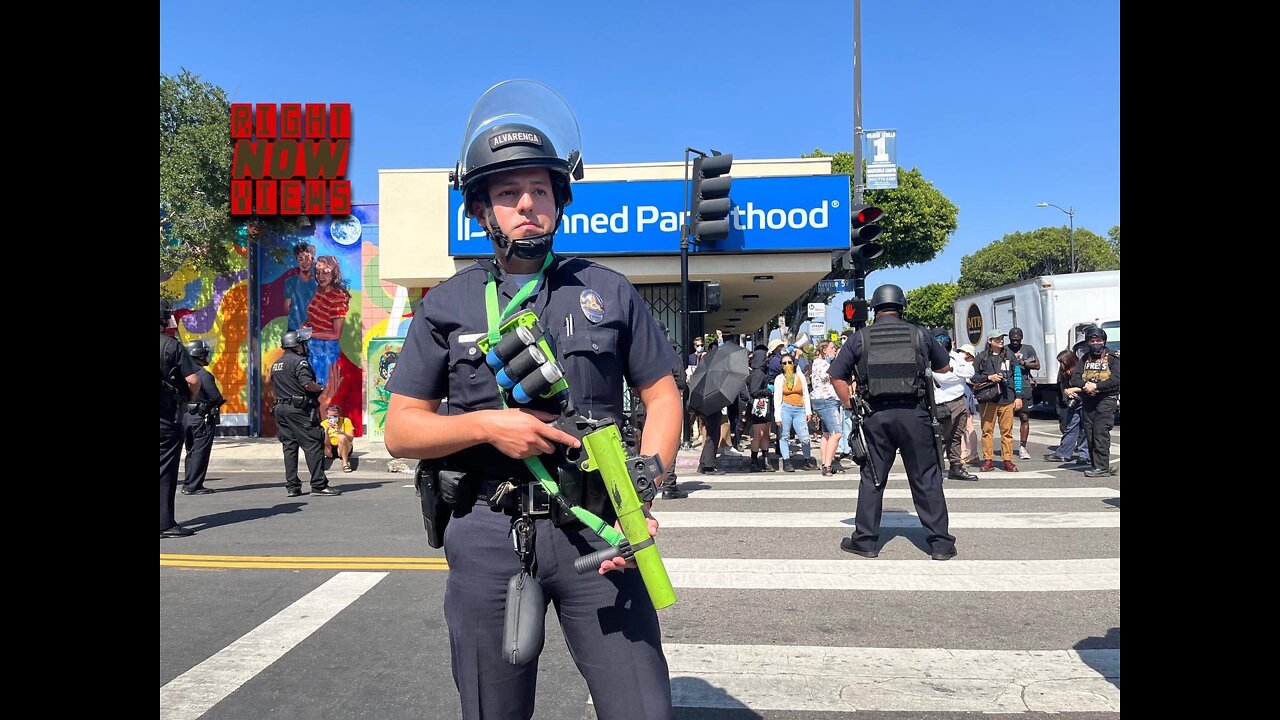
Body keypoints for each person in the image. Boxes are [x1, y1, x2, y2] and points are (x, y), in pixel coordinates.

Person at [383, 80, 680, 720]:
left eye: (540, 190)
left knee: (642, 707)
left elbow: (662, 397)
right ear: (484, 210)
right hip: (486, 531)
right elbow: (402, 430)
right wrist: (489, 426)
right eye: (508, 193)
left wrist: (646, 494)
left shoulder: (607, 290)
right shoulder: (446, 304)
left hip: (598, 525)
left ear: (559, 201)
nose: (527, 205)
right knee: (493, 710)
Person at [828, 284, 957, 561]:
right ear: (902, 306)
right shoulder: (920, 334)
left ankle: (865, 541)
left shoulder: (860, 338)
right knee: (926, 478)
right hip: (916, 414)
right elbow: (944, 367)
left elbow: (836, 376)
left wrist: (851, 404)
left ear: (874, 308)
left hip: (876, 416)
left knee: (873, 478)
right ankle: (940, 545)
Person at [270, 328, 342, 497]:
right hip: (298, 409)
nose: (306, 346)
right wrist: (321, 387)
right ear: (296, 345)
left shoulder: (277, 364)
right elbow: (307, 384)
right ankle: (318, 485)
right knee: (313, 443)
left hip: (281, 409)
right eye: (303, 343)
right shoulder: (299, 362)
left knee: (289, 447)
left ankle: (292, 486)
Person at [160, 300, 201, 537]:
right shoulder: (171, 346)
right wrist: (187, 398)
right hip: (166, 416)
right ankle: (165, 523)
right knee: (165, 470)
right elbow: (194, 381)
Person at [1072, 326, 1120, 477]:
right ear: (1088, 342)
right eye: (1092, 341)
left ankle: (1102, 467)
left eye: (1098, 340)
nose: (1095, 343)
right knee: (1090, 432)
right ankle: (1096, 464)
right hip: (1088, 400)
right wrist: (1085, 385)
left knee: (1100, 433)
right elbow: (1075, 377)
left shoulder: (1113, 357)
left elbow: (1116, 379)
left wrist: (1097, 386)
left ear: (1104, 341)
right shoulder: (1085, 359)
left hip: (1106, 399)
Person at [181, 339, 226, 495]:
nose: (207, 356)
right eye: (205, 353)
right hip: (201, 418)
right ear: (199, 355)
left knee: (191, 451)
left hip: (186, 416)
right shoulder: (203, 375)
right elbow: (216, 398)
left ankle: (188, 483)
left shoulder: (183, 375)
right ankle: (194, 486)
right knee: (200, 451)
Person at [931, 331, 978, 481]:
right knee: (940, 438)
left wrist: (953, 369)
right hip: (943, 403)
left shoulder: (956, 356)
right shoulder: (932, 357)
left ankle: (955, 467)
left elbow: (970, 371)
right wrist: (958, 374)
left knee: (957, 436)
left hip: (960, 400)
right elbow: (942, 377)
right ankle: (935, 469)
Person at [972, 329, 1021, 472]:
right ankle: (988, 460)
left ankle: (1007, 460)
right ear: (989, 341)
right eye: (997, 338)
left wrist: (1018, 396)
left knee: (1007, 431)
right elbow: (973, 377)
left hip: (1007, 398)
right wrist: (989, 377)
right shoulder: (981, 358)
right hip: (988, 399)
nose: (1001, 340)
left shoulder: (1009, 356)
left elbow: (1017, 375)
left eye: (1002, 338)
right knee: (987, 430)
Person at [303, 254, 351, 386]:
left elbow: (336, 334)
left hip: (325, 352)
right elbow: (315, 318)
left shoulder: (338, 297)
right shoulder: (319, 291)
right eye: (318, 272)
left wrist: (310, 334)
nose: (320, 276)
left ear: (334, 273)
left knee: (322, 387)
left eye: (325, 272)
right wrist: (306, 326)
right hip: (312, 348)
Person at [808, 340, 844, 476]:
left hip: (824, 399)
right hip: (827, 399)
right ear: (824, 350)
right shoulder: (820, 363)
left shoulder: (822, 363)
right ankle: (828, 465)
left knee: (827, 433)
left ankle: (825, 462)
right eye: (832, 348)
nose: (834, 350)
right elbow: (829, 375)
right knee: (837, 433)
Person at [773, 352, 813, 472]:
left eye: (789, 362)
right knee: (784, 436)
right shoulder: (779, 379)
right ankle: (787, 461)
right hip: (786, 408)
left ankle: (807, 459)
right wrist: (777, 416)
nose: (787, 365)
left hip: (800, 409)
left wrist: (808, 411)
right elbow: (777, 397)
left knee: (805, 437)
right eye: (784, 363)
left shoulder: (800, 377)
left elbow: (805, 394)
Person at [1007, 327, 1041, 460]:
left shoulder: (1028, 349)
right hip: (1008, 386)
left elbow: (1037, 365)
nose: (1015, 342)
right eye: (1013, 340)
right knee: (1006, 419)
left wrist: (1023, 363)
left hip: (1025, 385)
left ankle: (1022, 447)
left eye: (1018, 340)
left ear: (1021, 338)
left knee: (1024, 417)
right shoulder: (1005, 350)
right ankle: (1007, 445)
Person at [282, 242, 317, 331]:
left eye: (306, 258)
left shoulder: (319, 283)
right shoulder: (290, 282)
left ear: (312, 260)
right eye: (300, 259)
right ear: (297, 261)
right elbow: (286, 306)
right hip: (294, 330)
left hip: (315, 331)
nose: (304, 262)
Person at [322, 404, 356, 472]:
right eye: (330, 416)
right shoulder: (323, 424)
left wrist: (341, 432)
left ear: (339, 415)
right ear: (327, 416)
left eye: (335, 416)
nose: (333, 418)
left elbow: (351, 438)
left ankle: (345, 463)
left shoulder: (345, 421)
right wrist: (326, 431)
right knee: (322, 439)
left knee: (341, 437)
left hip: (344, 447)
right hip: (329, 448)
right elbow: (325, 442)